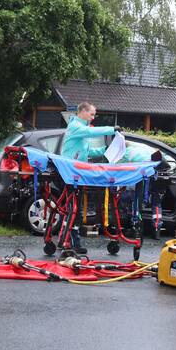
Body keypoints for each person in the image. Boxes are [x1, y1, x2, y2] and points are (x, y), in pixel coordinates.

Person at [59, 101, 121, 253]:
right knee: (74, 209)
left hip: (75, 174)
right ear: (83, 112)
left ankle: (69, 241)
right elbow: (91, 133)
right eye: (92, 114)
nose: (93, 118)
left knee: (74, 209)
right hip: (71, 173)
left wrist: (105, 150)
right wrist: (112, 129)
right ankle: (70, 242)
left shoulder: (80, 128)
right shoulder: (76, 127)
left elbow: (87, 152)